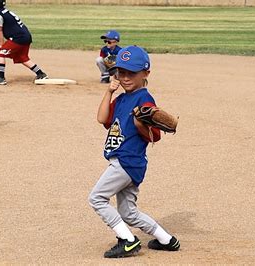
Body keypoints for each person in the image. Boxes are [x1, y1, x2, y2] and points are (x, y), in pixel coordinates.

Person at [88, 46, 180, 258]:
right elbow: (102, 119)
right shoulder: (121, 99)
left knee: (97, 198)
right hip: (128, 162)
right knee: (128, 213)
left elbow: (155, 136)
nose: (126, 77)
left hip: (126, 161)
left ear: (146, 73)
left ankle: (127, 240)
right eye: (122, 72)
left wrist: (141, 125)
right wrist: (110, 91)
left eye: (132, 73)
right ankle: (167, 240)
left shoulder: (144, 99)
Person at [0, 0, 48, 85]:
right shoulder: (5, 12)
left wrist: (1, 45)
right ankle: (40, 74)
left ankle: (0, 77)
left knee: (0, 53)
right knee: (22, 57)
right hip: (25, 36)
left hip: (18, 38)